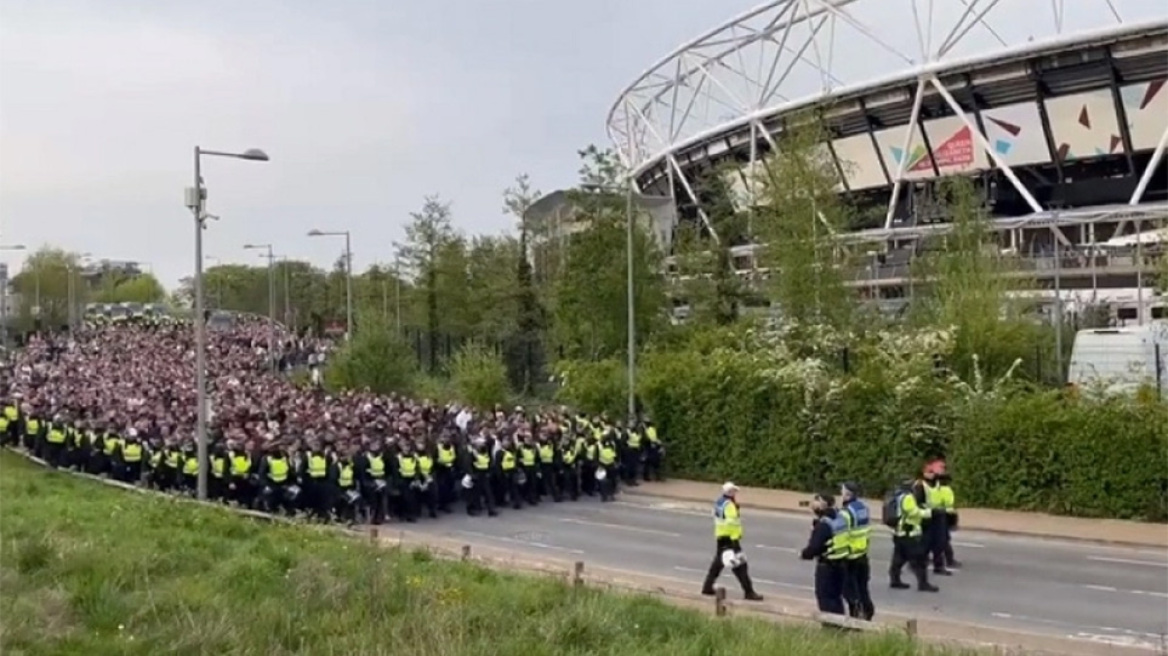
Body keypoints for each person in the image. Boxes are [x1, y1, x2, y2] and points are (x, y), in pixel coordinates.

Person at [701, 482, 764, 601]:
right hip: (730, 539)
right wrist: (735, 539)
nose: (735, 493)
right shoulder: (730, 505)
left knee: (717, 564)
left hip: (721, 537)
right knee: (740, 566)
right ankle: (749, 592)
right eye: (734, 491)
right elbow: (732, 523)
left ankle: (707, 587)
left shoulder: (720, 502)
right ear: (730, 493)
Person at [799, 493, 848, 616]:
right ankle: (840, 625)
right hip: (841, 562)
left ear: (824, 504)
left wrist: (804, 554)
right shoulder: (840, 517)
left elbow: (815, 547)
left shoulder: (824, 524)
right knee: (836, 597)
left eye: (816, 500)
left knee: (825, 597)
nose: (812, 504)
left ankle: (830, 626)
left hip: (827, 564)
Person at [888, 479, 939, 592]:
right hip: (909, 534)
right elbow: (914, 512)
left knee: (899, 558)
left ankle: (894, 579)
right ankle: (923, 584)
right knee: (919, 560)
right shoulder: (908, 497)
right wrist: (929, 513)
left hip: (899, 533)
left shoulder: (899, 495)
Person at [839, 482, 875, 620]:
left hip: (850, 556)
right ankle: (868, 612)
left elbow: (842, 534)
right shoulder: (863, 508)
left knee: (850, 591)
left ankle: (856, 617)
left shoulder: (846, 512)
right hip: (863, 554)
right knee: (863, 587)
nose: (841, 493)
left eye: (842, 491)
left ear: (848, 494)